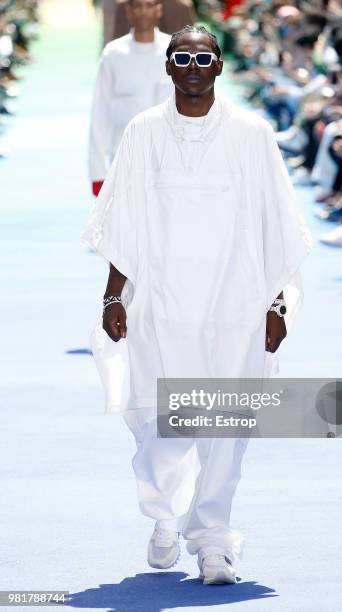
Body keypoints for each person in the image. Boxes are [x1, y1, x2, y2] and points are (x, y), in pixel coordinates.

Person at [81, 25, 313, 584]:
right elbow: (125, 220)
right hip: (161, 303)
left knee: (226, 428)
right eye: (180, 56)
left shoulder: (252, 133)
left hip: (236, 301)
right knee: (163, 427)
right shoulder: (142, 132)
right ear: (168, 67)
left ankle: (213, 539)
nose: (190, 66)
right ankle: (165, 515)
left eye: (201, 57)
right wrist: (115, 294)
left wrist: (277, 306)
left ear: (218, 66)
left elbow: (279, 222)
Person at [89, 0, 172, 197]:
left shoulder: (175, 51)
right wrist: (98, 173)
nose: (143, 11)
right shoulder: (113, 54)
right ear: (128, 11)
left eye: (149, 5)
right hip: (124, 157)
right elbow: (100, 112)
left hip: (169, 159)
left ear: (159, 9)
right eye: (137, 6)